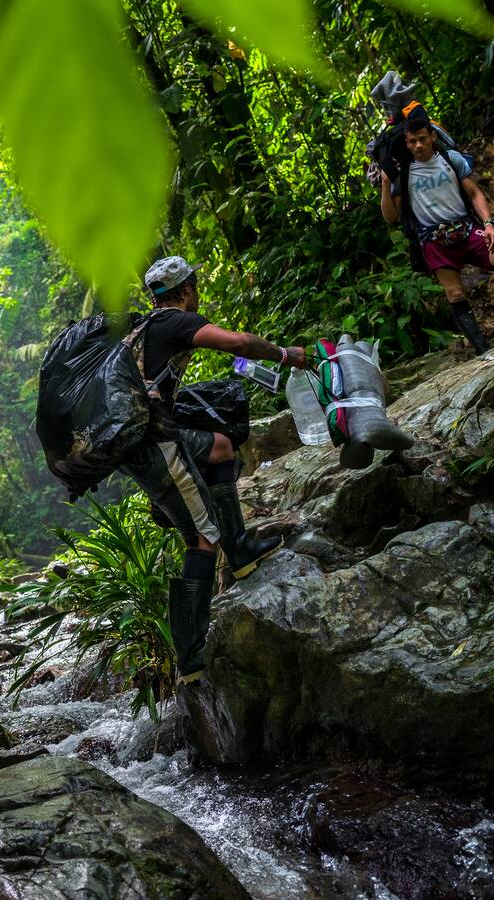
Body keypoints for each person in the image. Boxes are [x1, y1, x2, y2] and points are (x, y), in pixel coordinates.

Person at [122, 257, 309, 684]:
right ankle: (190, 656)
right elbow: (238, 343)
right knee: (202, 538)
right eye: (195, 285)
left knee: (221, 447)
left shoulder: (141, 328)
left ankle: (239, 547)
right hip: (155, 446)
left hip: (144, 441)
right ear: (187, 289)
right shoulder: (174, 320)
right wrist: (286, 355)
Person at [379, 108, 494, 355]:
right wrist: (386, 184)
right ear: (406, 144)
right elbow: (391, 217)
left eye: (422, 139)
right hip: (433, 240)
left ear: (432, 136)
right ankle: (483, 351)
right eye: (412, 141)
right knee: (455, 292)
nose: (418, 145)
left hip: (466, 228)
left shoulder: (450, 158)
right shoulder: (403, 173)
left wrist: (489, 223)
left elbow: (474, 193)